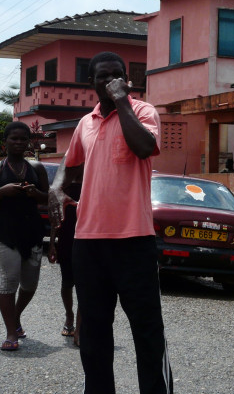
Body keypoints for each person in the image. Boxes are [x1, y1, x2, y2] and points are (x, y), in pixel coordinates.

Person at [48, 52, 173, 393]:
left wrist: (122, 103)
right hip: (89, 243)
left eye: (119, 76)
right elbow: (70, 163)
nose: (113, 81)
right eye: (104, 77)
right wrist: (57, 187)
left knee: (147, 332)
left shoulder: (143, 112)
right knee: (94, 333)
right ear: (93, 83)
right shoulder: (85, 123)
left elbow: (145, 147)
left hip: (134, 241)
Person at [0, 121, 49, 352]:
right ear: (5, 142)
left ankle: (16, 317)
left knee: (30, 285)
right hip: (5, 233)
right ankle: (11, 331)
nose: (19, 143)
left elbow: (47, 199)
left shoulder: (36, 168)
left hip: (32, 232)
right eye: (14, 139)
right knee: (7, 284)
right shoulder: (0, 168)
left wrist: (34, 192)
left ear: (28, 142)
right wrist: (3, 191)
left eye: (23, 139)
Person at [47, 180, 82, 346]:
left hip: (87, 238)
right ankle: (69, 316)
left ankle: (81, 328)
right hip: (67, 239)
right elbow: (56, 216)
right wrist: (52, 244)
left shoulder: (92, 181)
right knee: (67, 283)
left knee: (85, 285)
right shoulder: (64, 184)